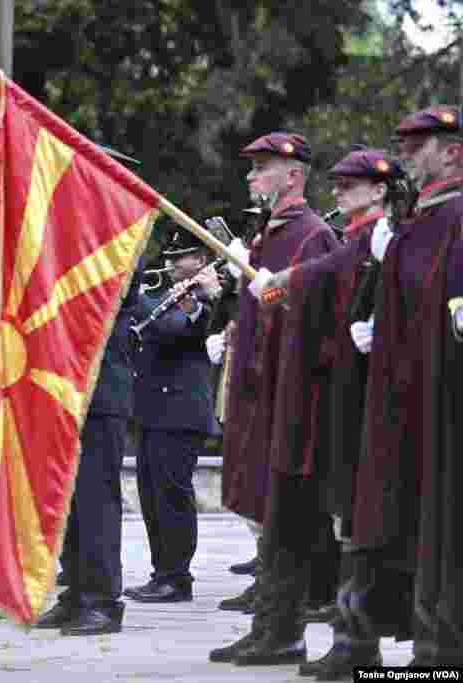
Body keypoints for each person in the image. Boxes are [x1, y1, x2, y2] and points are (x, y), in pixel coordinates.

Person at [249, 147, 409, 678]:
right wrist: (273, 289)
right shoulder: (358, 239)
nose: (337, 192)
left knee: (355, 524)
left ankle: (358, 645)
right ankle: (349, 643)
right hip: (340, 394)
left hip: (366, 399)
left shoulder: (378, 238)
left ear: (378, 190)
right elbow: (323, 279)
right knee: (343, 522)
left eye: (349, 185)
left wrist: (279, 284)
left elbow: (326, 272)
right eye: (336, 184)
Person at [206, 132, 340, 664]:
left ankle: (283, 628)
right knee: (267, 511)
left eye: (262, 168)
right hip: (260, 392)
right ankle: (272, 627)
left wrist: (268, 290)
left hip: (293, 395)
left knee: (285, 516)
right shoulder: (266, 233)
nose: (250, 176)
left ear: (294, 175)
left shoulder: (311, 236)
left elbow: (321, 314)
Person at [344, 105, 463, 668]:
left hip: (448, 399)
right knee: (410, 523)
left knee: (444, 526)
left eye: (420, 145)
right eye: (406, 144)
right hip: (407, 398)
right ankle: (426, 648)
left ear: (453, 151)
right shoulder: (421, 218)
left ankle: (442, 654)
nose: (408, 154)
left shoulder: (457, 214)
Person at [31, 262, 142, 636]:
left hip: (99, 389)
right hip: (61, 388)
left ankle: (103, 601)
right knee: (66, 502)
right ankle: (77, 593)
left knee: (95, 500)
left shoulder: (120, 233)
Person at [125, 226, 219, 604]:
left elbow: (175, 331)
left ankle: (177, 577)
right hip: (152, 408)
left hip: (180, 410)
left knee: (172, 496)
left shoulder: (204, 300)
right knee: (150, 495)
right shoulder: (166, 295)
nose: (172, 264)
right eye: (170, 258)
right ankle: (161, 571)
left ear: (201, 260)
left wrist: (146, 303)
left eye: (181, 258)